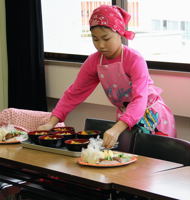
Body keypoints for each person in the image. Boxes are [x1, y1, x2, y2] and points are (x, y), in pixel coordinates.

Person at [38, 5, 176, 148]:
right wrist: (51, 122)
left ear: (119, 33)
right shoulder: (94, 61)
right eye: (95, 39)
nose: (101, 45)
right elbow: (74, 93)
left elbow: (139, 98)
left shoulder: (134, 59)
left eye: (106, 38)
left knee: (152, 163)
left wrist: (117, 128)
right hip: (125, 117)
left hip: (151, 116)